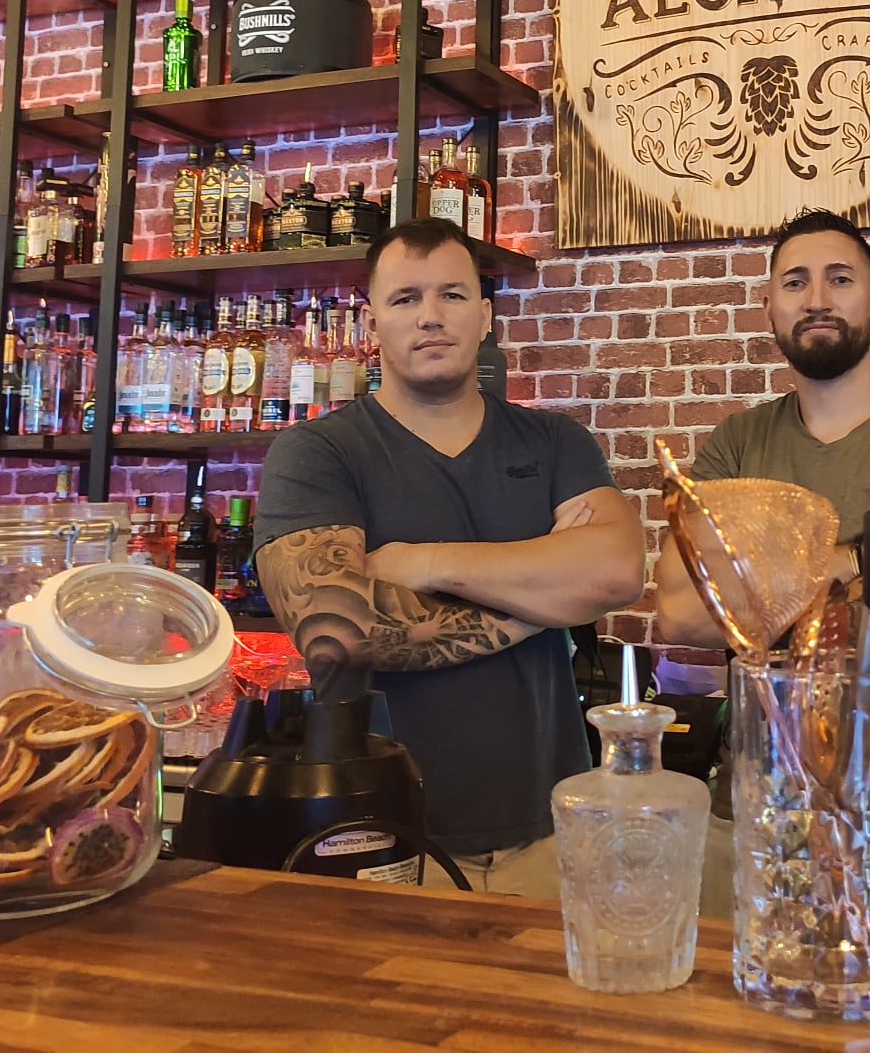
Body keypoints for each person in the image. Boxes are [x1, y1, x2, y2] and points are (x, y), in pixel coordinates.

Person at [255, 218, 645, 897]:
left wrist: (423, 562)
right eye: (406, 299)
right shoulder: (318, 453)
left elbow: (615, 571)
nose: (430, 317)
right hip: (379, 831)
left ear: (486, 316)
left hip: (549, 825)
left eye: (453, 296)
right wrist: (548, 594)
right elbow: (334, 629)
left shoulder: (554, 442)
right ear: (372, 319)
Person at [653, 208, 870, 748]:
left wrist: (760, 575)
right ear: (768, 308)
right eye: (795, 282)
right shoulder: (736, 442)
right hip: (764, 793)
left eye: (840, 279)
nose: (817, 298)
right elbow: (681, 614)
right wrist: (864, 560)